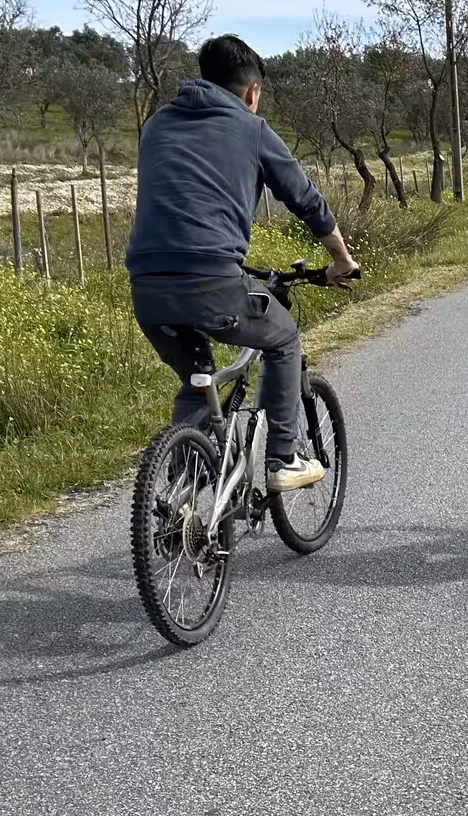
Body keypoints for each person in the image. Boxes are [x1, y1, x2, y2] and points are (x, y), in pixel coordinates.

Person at [126, 35, 358, 491]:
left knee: (197, 377)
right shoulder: (252, 128)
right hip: (210, 279)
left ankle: (182, 501)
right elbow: (304, 198)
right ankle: (282, 459)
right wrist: (340, 258)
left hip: (147, 284)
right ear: (252, 92)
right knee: (283, 337)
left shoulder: (155, 125)